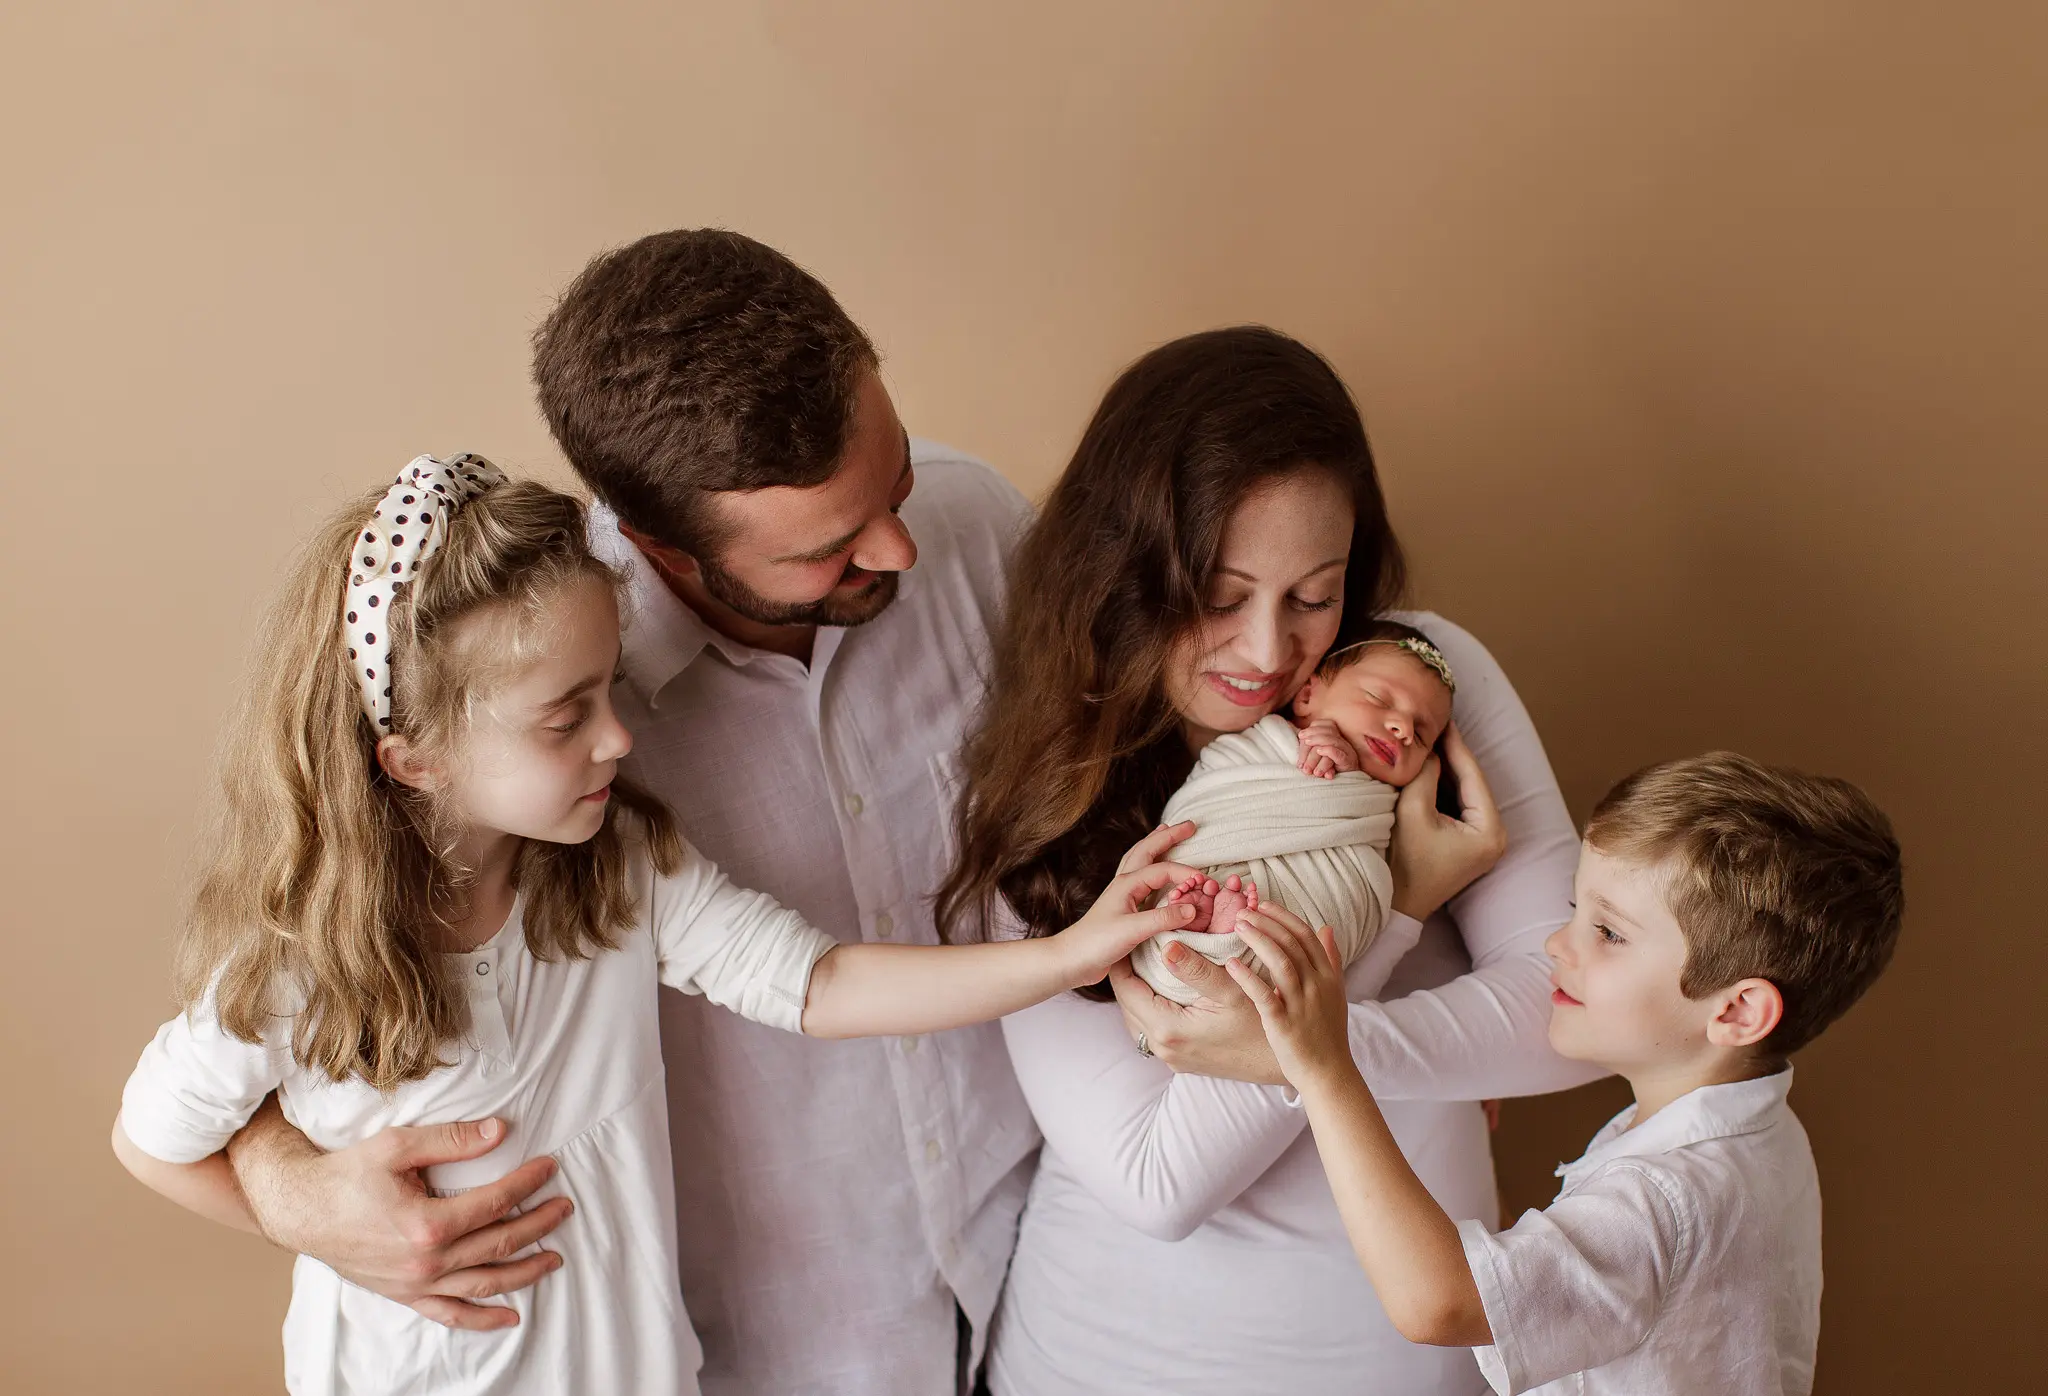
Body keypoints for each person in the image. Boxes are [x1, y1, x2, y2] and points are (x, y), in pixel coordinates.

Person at [112, 459, 1202, 1394]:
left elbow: (816, 984)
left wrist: (1069, 952)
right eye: (565, 714)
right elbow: (151, 1141)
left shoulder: (614, 874)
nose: (618, 737)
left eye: (608, 689)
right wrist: (315, 1222)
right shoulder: (301, 968)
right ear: (417, 758)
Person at [210, 231, 1048, 1394]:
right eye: (828, 548)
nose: (898, 544)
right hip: (767, 1348)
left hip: (1048, 1270)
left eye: (894, 481)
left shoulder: (979, 528)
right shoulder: (523, 703)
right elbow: (288, 993)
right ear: (661, 545)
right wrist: (292, 1190)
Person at [936, 325, 1606, 1394]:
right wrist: (1391, 916)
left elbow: (1581, 1017)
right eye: (1216, 594)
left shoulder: (1412, 689)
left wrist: (1332, 1046)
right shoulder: (1045, 783)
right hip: (1105, 1358)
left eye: (1312, 594)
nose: (1263, 652)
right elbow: (1157, 1179)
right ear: (1126, 572)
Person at [1229, 752, 1904, 1395]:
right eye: (1578, 910)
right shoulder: (1753, 1132)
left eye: (1608, 932)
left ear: (1737, 1011)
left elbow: (1436, 1306)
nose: (1559, 942)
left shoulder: (1666, 1193)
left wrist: (1327, 1071)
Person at [1131, 620, 1459, 1003]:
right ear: (1306, 696)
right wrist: (1329, 781)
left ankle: (1221, 932)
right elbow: (1211, 793)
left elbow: (1365, 886)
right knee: (1197, 892)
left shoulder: (1381, 811)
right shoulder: (1264, 746)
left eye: (1420, 735)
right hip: (1228, 855)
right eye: (1379, 699)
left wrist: (1349, 783)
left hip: (1308, 917)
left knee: (1282, 940)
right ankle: (1206, 926)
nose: (1402, 728)